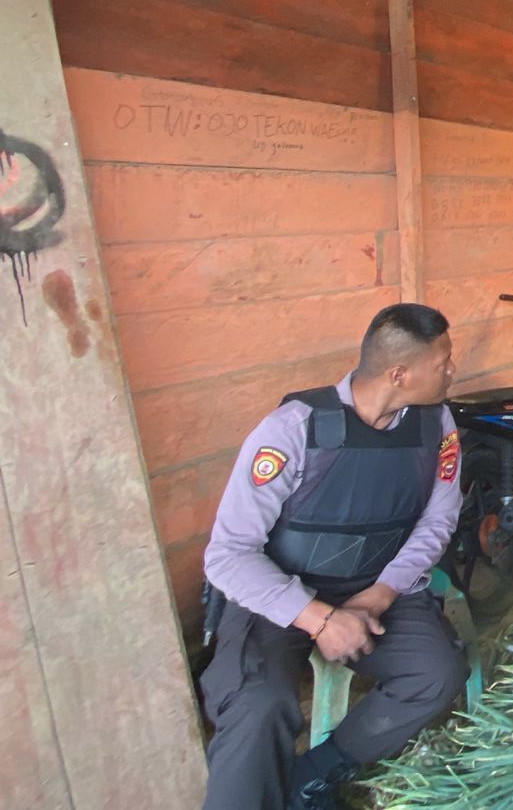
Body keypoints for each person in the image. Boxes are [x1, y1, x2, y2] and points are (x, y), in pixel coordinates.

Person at [199, 303, 469, 810]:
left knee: (436, 672)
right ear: (399, 374)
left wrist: (380, 594)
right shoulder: (292, 429)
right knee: (258, 704)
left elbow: (439, 520)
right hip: (279, 593)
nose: (453, 370)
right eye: (443, 362)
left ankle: (312, 777)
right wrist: (320, 620)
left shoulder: (436, 424)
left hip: (376, 587)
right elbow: (229, 555)